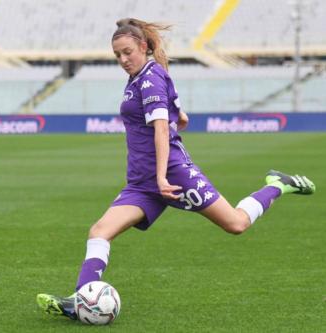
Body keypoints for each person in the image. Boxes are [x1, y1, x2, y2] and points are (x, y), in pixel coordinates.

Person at [36, 18, 316, 320]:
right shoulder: (141, 76)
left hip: (173, 175)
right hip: (143, 182)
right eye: (117, 55)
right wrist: (178, 116)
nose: (122, 60)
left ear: (143, 47)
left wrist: (161, 175)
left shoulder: (150, 78)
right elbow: (173, 111)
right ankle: (80, 301)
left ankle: (277, 184)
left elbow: (159, 130)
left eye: (127, 52)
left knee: (235, 223)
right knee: (100, 231)